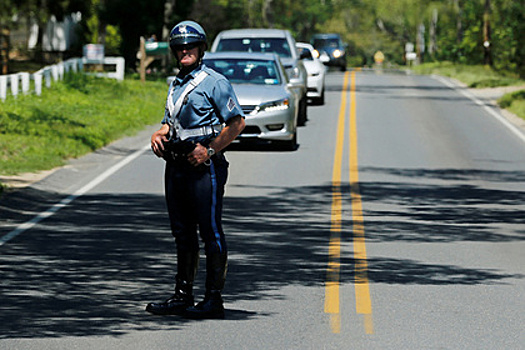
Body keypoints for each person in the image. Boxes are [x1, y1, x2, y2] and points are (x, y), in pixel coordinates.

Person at [147, 20, 245, 319]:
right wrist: (159, 133)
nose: (185, 50)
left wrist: (210, 150)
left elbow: (237, 123)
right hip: (176, 165)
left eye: (190, 46)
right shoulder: (176, 83)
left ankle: (213, 299)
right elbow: (171, 121)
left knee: (210, 229)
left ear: (201, 48)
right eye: (179, 47)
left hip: (206, 166)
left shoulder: (215, 82)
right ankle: (182, 295)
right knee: (182, 232)